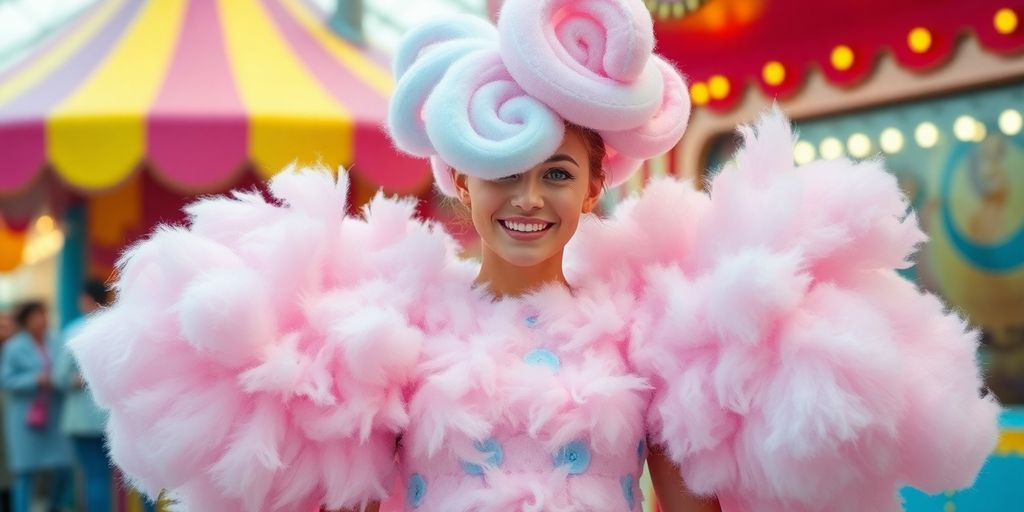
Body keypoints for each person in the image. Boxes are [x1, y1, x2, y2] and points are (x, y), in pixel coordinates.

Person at [69, 0, 998, 511]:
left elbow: (691, 508)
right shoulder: (394, 328)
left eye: (555, 173)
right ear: (457, 184)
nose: (527, 198)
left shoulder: (651, 331)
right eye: (500, 172)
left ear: (594, 187)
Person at [1, 302, 72, 512]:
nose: (42, 320)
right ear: (26, 320)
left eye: (44, 315)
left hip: (54, 414)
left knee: (64, 466)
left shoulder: (57, 341)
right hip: (25, 417)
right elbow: (6, 380)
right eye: (36, 316)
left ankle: (54, 506)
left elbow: (64, 370)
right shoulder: (14, 347)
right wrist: (34, 379)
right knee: (25, 471)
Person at [54, 280, 112, 512]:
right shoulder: (117, 329)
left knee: (94, 475)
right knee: (110, 476)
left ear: (86, 299)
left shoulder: (74, 331)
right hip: (111, 417)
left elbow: (60, 378)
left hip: (81, 418)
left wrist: (78, 379)